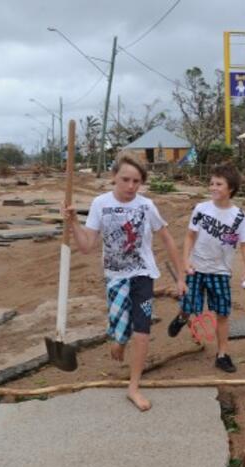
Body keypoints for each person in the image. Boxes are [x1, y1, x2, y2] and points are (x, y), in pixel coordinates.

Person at [65, 155, 186, 411]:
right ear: (114, 178)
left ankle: (133, 387)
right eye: (126, 180)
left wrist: (182, 276)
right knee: (119, 326)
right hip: (115, 276)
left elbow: (166, 239)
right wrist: (74, 222)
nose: (131, 186)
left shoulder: (146, 205)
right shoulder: (100, 204)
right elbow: (86, 247)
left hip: (143, 275)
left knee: (142, 332)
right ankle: (119, 338)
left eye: (137, 181)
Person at [167, 163, 245, 373]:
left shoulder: (239, 217)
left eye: (219, 184)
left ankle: (222, 354)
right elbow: (190, 235)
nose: (213, 187)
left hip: (220, 272)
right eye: (211, 183)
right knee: (189, 305)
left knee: (222, 313)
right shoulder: (201, 209)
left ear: (230, 188)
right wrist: (186, 260)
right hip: (196, 268)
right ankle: (181, 318)